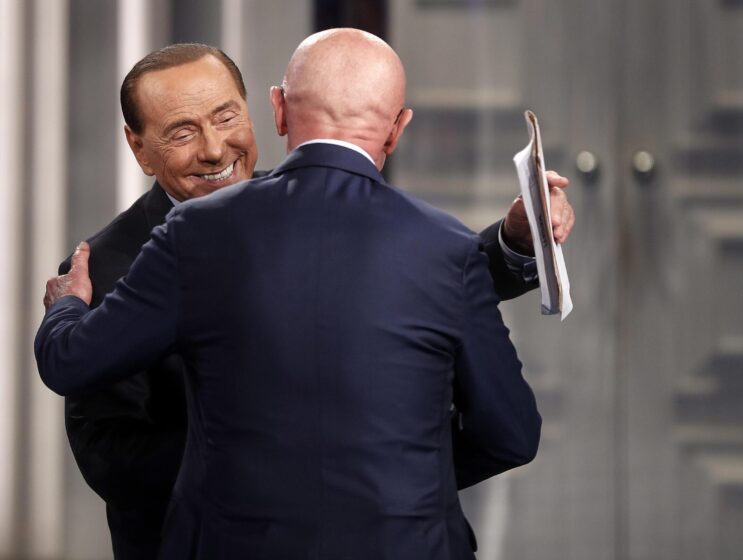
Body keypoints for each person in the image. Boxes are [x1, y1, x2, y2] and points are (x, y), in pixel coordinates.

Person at [54, 41, 574, 558]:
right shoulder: (103, 269)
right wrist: (292, 471)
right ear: (139, 148)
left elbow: (415, 283)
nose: (214, 149)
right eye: (182, 132)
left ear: (265, 112)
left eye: (226, 117)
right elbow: (111, 459)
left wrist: (513, 242)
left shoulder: (305, 204)